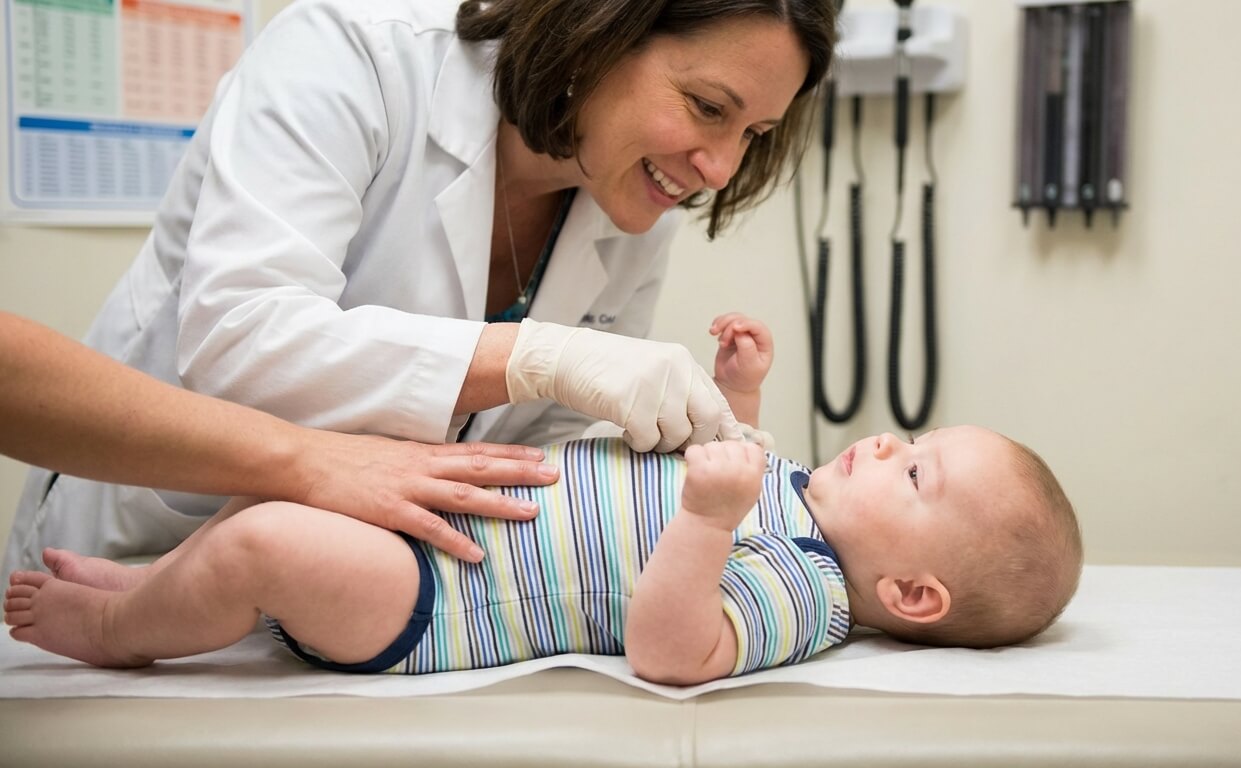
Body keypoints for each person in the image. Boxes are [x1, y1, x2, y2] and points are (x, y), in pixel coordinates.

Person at [5, 0, 838, 573]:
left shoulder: (632, 199)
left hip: (354, 598)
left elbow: (545, 455)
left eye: (754, 133)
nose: (719, 169)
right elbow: (239, 337)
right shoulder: (354, 52)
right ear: (599, 29)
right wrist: (537, 354)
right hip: (132, 551)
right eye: (705, 107)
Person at [5, 315, 1084, 684]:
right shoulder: (790, 487)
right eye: (916, 439)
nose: (891, 442)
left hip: (433, 602)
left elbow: (673, 652)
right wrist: (740, 393)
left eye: (916, 471)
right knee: (275, 489)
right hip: (435, 521)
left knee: (271, 546)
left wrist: (708, 519)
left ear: (913, 591)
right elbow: (723, 450)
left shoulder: (808, 596)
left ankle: (119, 628)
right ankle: (151, 582)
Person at [0, 312, 554, 563]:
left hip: (420, 540)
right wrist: (312, 463)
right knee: (262, 544)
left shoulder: (625, 227)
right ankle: (117, 617)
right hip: (161, 505)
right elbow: (240, 336)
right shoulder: (350, 81)